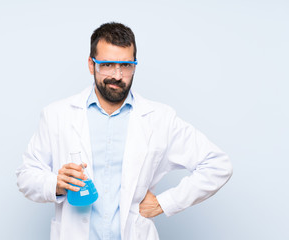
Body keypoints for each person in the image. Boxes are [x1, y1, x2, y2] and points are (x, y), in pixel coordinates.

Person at [16, 22, 233, 240]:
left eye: (126, 65)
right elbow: (26, 177)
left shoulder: (159, 118)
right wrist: (57, 184)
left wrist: (165, 203)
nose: (118, 75)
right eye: (108, 64)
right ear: (91, 65)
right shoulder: (57, 115)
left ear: (135, 66)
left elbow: (218, 165)